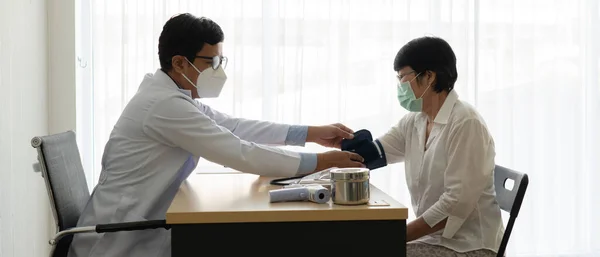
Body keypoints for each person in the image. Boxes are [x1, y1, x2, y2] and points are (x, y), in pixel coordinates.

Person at [68, 13, 364, 257]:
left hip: (140, 229)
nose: (218, 71)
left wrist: (312, 133)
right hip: (118, 243)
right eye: (210, 62)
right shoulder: (164, 105)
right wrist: (324, 161)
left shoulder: (174, 96)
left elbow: (234, 127)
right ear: (180, 63)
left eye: (220, 62)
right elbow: (239, 152)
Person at [375, 36, 503, 256]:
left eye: (402, 77)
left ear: (429, 77)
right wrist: (335, 144)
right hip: (434, 240)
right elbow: (374, 152)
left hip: (470, 246)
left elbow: (454, 204)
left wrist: (398, 235)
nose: (400, 87)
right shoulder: (416, 121)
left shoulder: (465, 123)